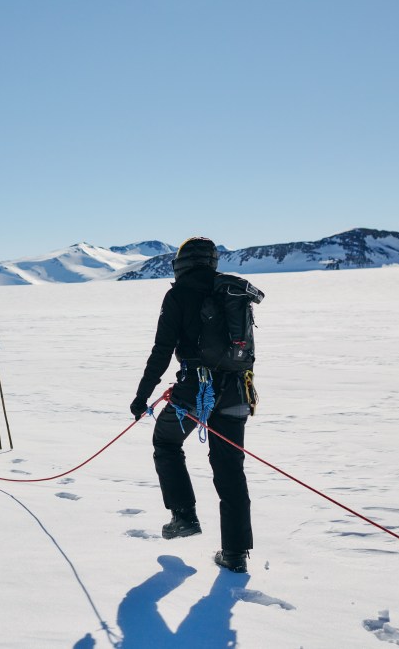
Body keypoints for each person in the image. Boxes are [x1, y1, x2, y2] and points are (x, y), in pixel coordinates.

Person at [130, 237, 255, 573]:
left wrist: (142, 397)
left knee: (166, 442)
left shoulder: (178, 295)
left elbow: (161, 351)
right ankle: (235, 553)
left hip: (194, 392)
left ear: (181, 263)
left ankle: (183, 515)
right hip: (236, 393)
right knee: (230, 470)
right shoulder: (231, 292)